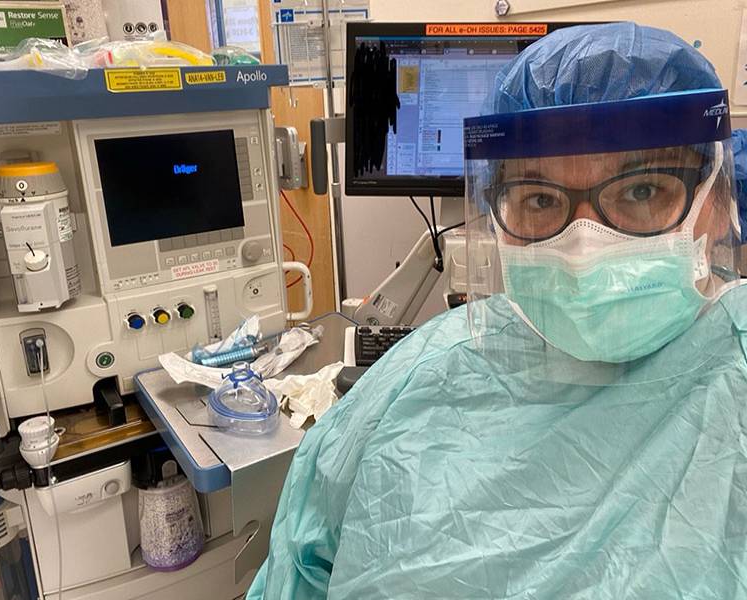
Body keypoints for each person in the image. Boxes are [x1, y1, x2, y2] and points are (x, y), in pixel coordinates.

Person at [248, 23, 747, 599]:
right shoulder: (414, 382)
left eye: (641, 191)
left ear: (716, 198)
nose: (584, 244)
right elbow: (298, 573)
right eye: (539, 198)